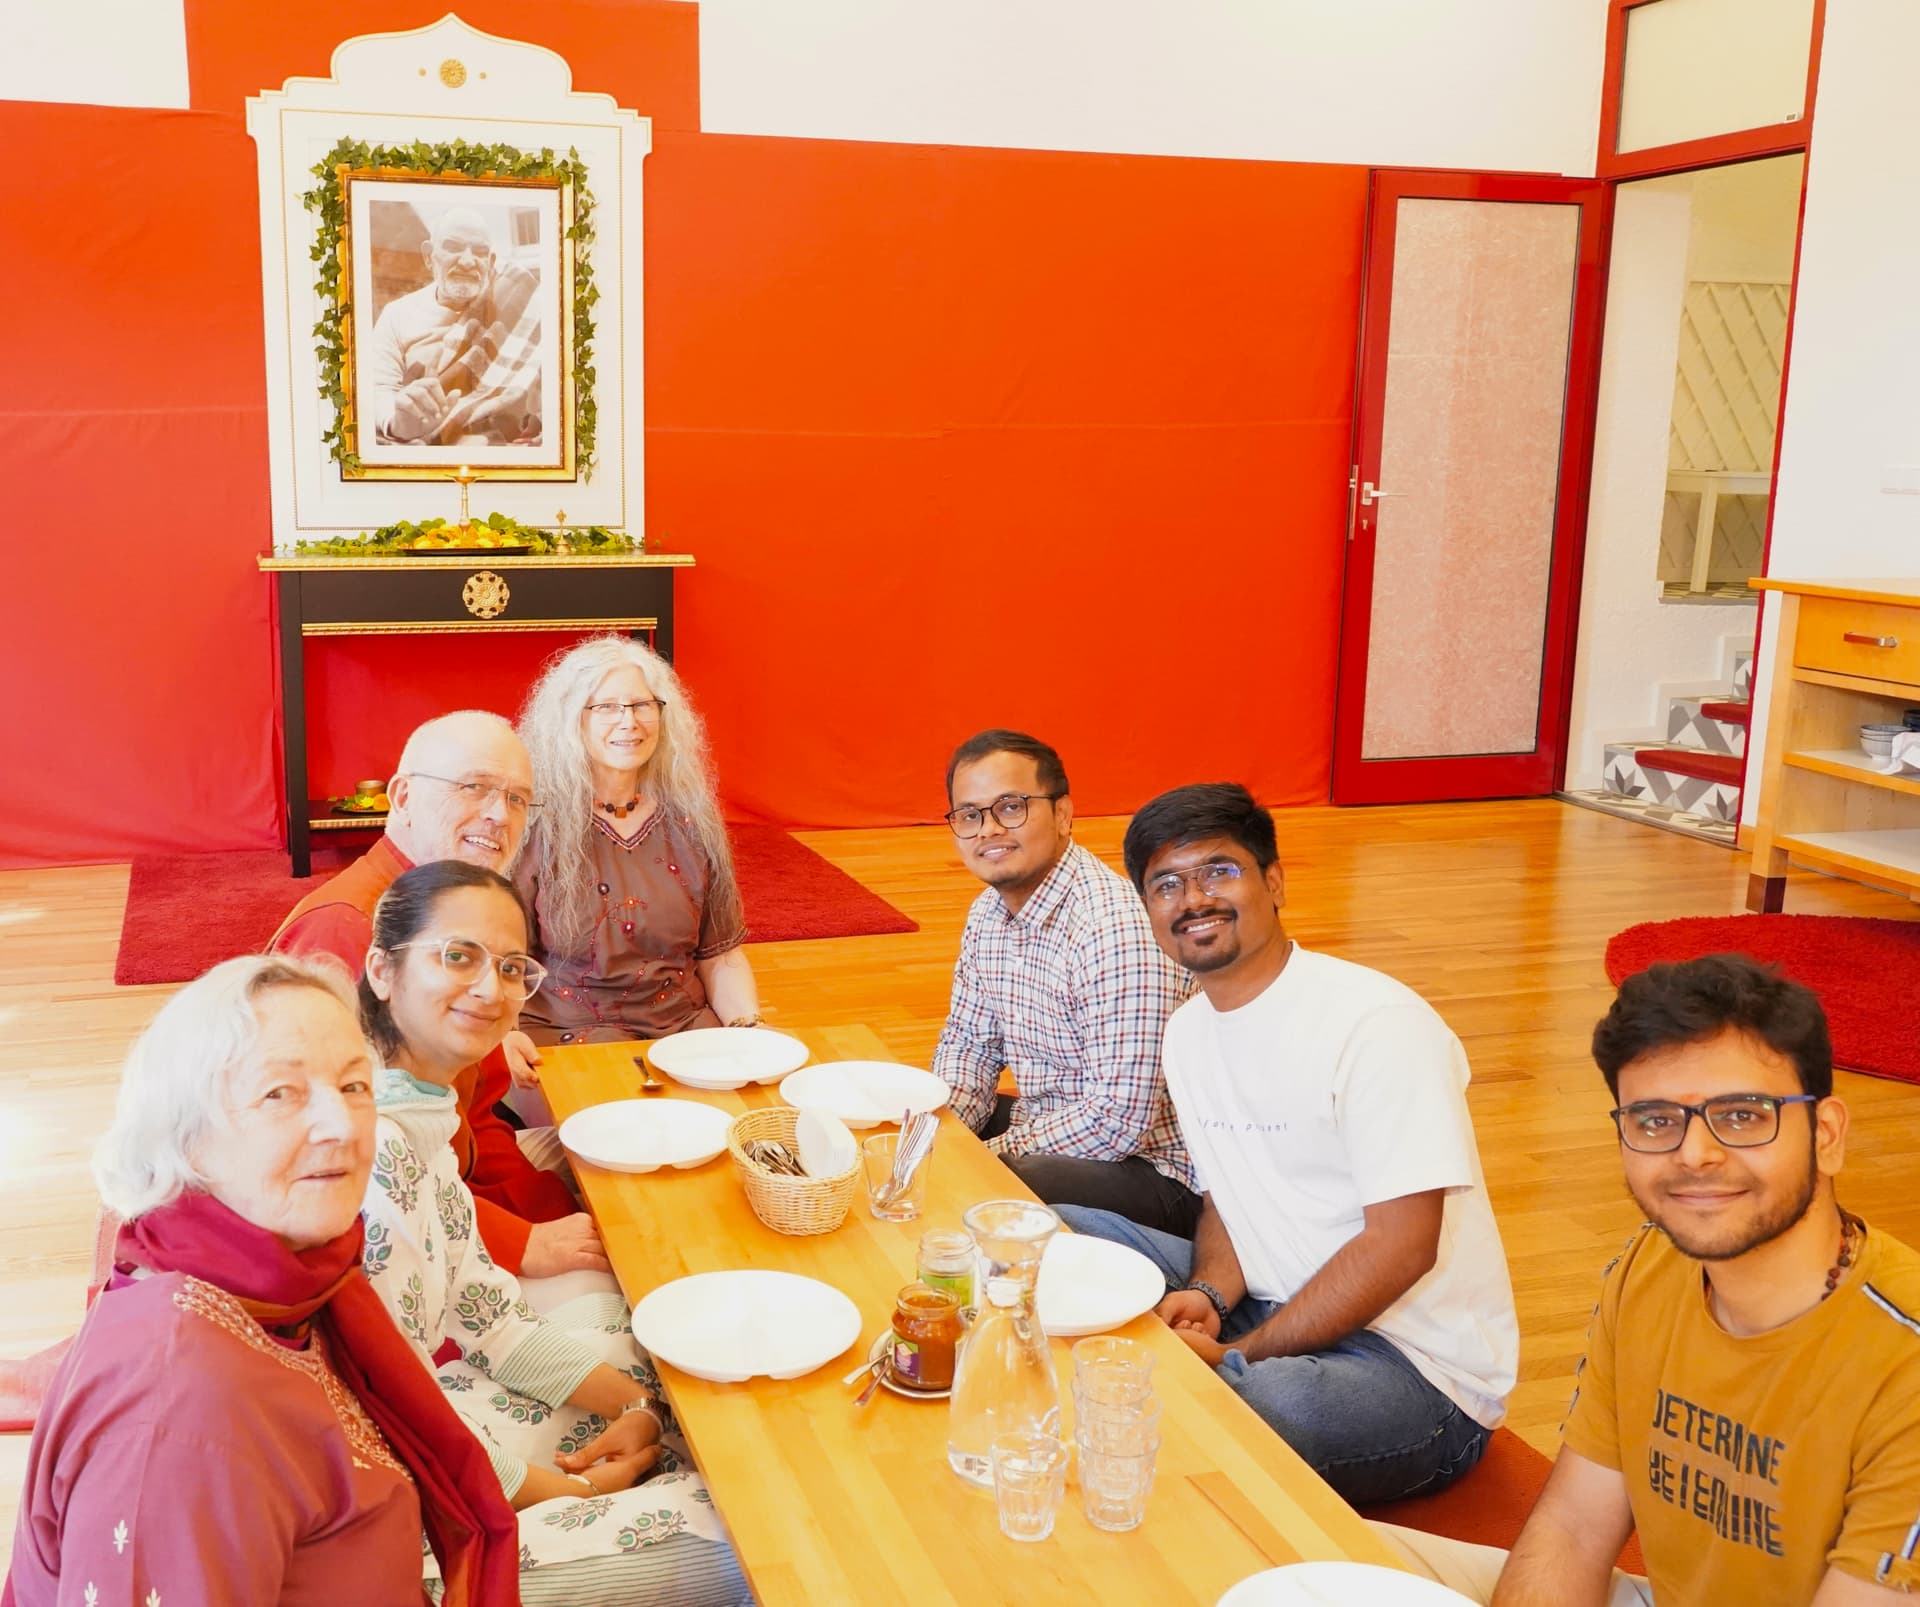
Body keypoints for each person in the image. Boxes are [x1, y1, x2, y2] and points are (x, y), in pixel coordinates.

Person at [1379, 955, 1920, 1605]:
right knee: (1322, 1553)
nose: (1695, 1154)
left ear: (1826, 1135)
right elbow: (1574, 1528)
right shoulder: (1653, 1265)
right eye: (1656, 1120)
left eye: (1743, 1115)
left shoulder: (1903, 1364)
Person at [4, 955, 518, 1604]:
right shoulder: (176, 1417)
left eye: (355, 1085)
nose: (341, 1125)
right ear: (186, 1137)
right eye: (280, 1093)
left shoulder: (293, 1286)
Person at [1059, 782, 1517, 1504]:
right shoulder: (1188, 1032)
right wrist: (1210, 1293)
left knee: (1267, 1406)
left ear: (1273, 882)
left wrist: (1237, 1354)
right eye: (1167, 884)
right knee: (1058, 1234)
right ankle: (1167, 1391)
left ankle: (1173, 1401)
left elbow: (1403, 1245)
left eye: (1219, 871)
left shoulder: (1376, 1023)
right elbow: (1228, 1194)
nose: (1194, 899)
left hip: (1411, 1366)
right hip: (1264, 1304)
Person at [357, 862, 748, 1605]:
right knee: (751, 1525)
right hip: (389, 1536)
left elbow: (490, 1318)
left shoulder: (418, 1117)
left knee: (655, 1367)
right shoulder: (373, 1155)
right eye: (458, 956)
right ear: (382, 970)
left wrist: (633, 1408)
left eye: (511, 968)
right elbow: (395, 1424)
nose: (490, 988)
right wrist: (578, 1489)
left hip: (425, 1448)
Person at [271, 710, 591, 1280]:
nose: (499, 815)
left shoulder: (457, 910)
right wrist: (523, 1243)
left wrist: (546, 1208)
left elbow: (474, 1115)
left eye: (517, 799)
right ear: (402, 796)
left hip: (463, 1182)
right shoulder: (347, 933)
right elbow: (346, 1167)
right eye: (474, 787)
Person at [932, 730, 1198, 1235]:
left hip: (1160, 1173)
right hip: (1055, 1127)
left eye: (1011, 807)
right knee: (917, 1127)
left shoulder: (1116, 928)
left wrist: (976, 1160)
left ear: (1063, 813)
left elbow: (1118, 1121)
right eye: (969, 816)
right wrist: (941, 1139)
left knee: (995, 1185)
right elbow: (969, 1045)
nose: (989, 830)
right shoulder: (987, 914)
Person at [513, 635, 758, 1045]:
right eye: (607, 707)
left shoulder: (691, 820)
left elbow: (719, 952)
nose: (629, 722)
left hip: (683, 1026)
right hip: (566, 1033)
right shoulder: (533, 824)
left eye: (642, 705)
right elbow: (502, 960)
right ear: (571, 719)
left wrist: (748, 1028)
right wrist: (503, 1039)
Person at [364, 205, 543, 448]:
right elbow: (378, 389)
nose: (468, 261)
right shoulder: (397, 314)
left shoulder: (517, 300)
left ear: (490, 261)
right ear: (429, 256)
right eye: (453, 247)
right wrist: (398, 423)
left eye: (480, 252)